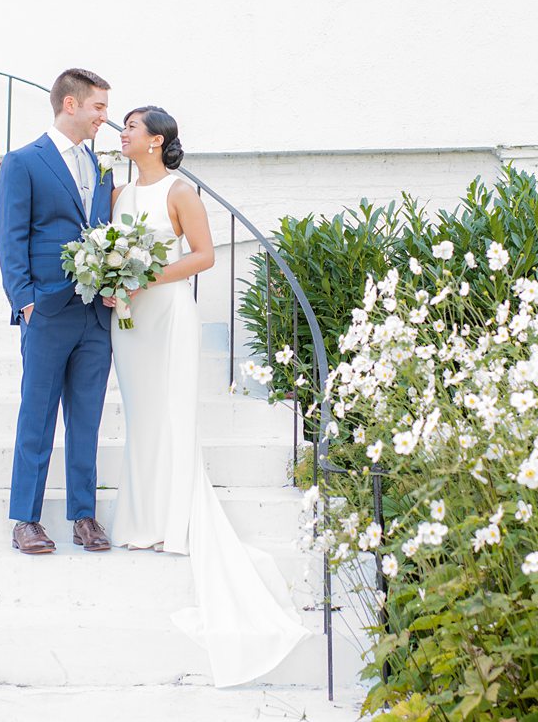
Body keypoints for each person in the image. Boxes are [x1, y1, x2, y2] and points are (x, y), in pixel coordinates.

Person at [106, 106, 310, 686]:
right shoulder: (119, 193)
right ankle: (138, 521)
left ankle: (174, 521)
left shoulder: (180, 191)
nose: (123, 134)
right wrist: (111, 280)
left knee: (170, 414)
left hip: (167, 313)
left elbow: (204, 256)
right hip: (129, 319)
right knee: (141, 416)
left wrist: (148, 278)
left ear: (157, 140)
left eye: (131, 127)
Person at [0, 68, 114, 556]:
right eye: (99, 108)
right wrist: (25, 301)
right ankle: (25, 520)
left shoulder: (102, 167)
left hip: (96, 314)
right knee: (37, 417)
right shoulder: (24, 162)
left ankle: (84, 516)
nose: (105, 118)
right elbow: (10, 236)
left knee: (86, 419)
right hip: (46, 309)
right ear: (71, 104)